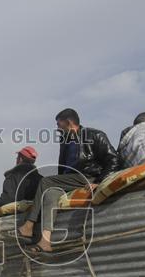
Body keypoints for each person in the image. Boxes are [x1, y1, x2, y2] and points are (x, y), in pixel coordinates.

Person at [17, 108, 120, 252]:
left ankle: (28, 225)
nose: (57, 128)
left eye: (59, 124)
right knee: (50, 193)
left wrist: (99, 181)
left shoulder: (94, 135)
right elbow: (62, 168)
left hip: (87, 176)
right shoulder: (65, 142)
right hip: (70, 180)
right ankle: (45, 241)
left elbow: (113, 159)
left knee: (45, 181)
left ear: (68, 122)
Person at [0, 146, 41, 213]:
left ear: (20, 159)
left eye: (17, 157)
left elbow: (6, 201)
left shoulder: (13, 176)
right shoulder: (41, 178)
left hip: (18, 216)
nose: (16, 159)